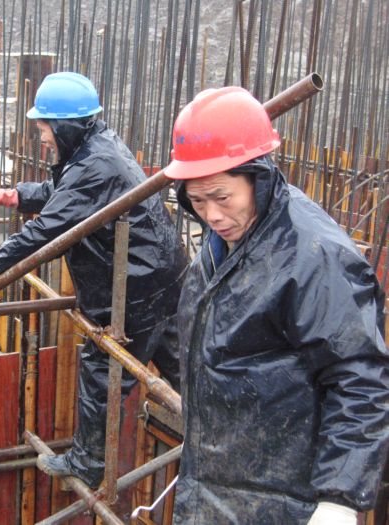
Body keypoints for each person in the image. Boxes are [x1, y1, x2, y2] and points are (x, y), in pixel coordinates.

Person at [164, 86, 389, 524]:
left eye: (222, 197)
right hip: (217, 484)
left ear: (258, 178)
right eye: (197, 201)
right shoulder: (228, 240)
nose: (211, 214)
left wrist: (339, 499)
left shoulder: (313, 256)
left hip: (284, 499)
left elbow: (360, 379)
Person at [0, 72, 188, 489]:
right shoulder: (95, 147)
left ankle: (89, 462)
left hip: (136, 287)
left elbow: (49, 227)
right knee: (181, 369)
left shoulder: (95, 164)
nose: (42, 137)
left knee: (103, 367)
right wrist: (8, 195)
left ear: (64, 125)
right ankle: (209, 431)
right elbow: (62, 193)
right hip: (161, 277)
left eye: (45, 128)